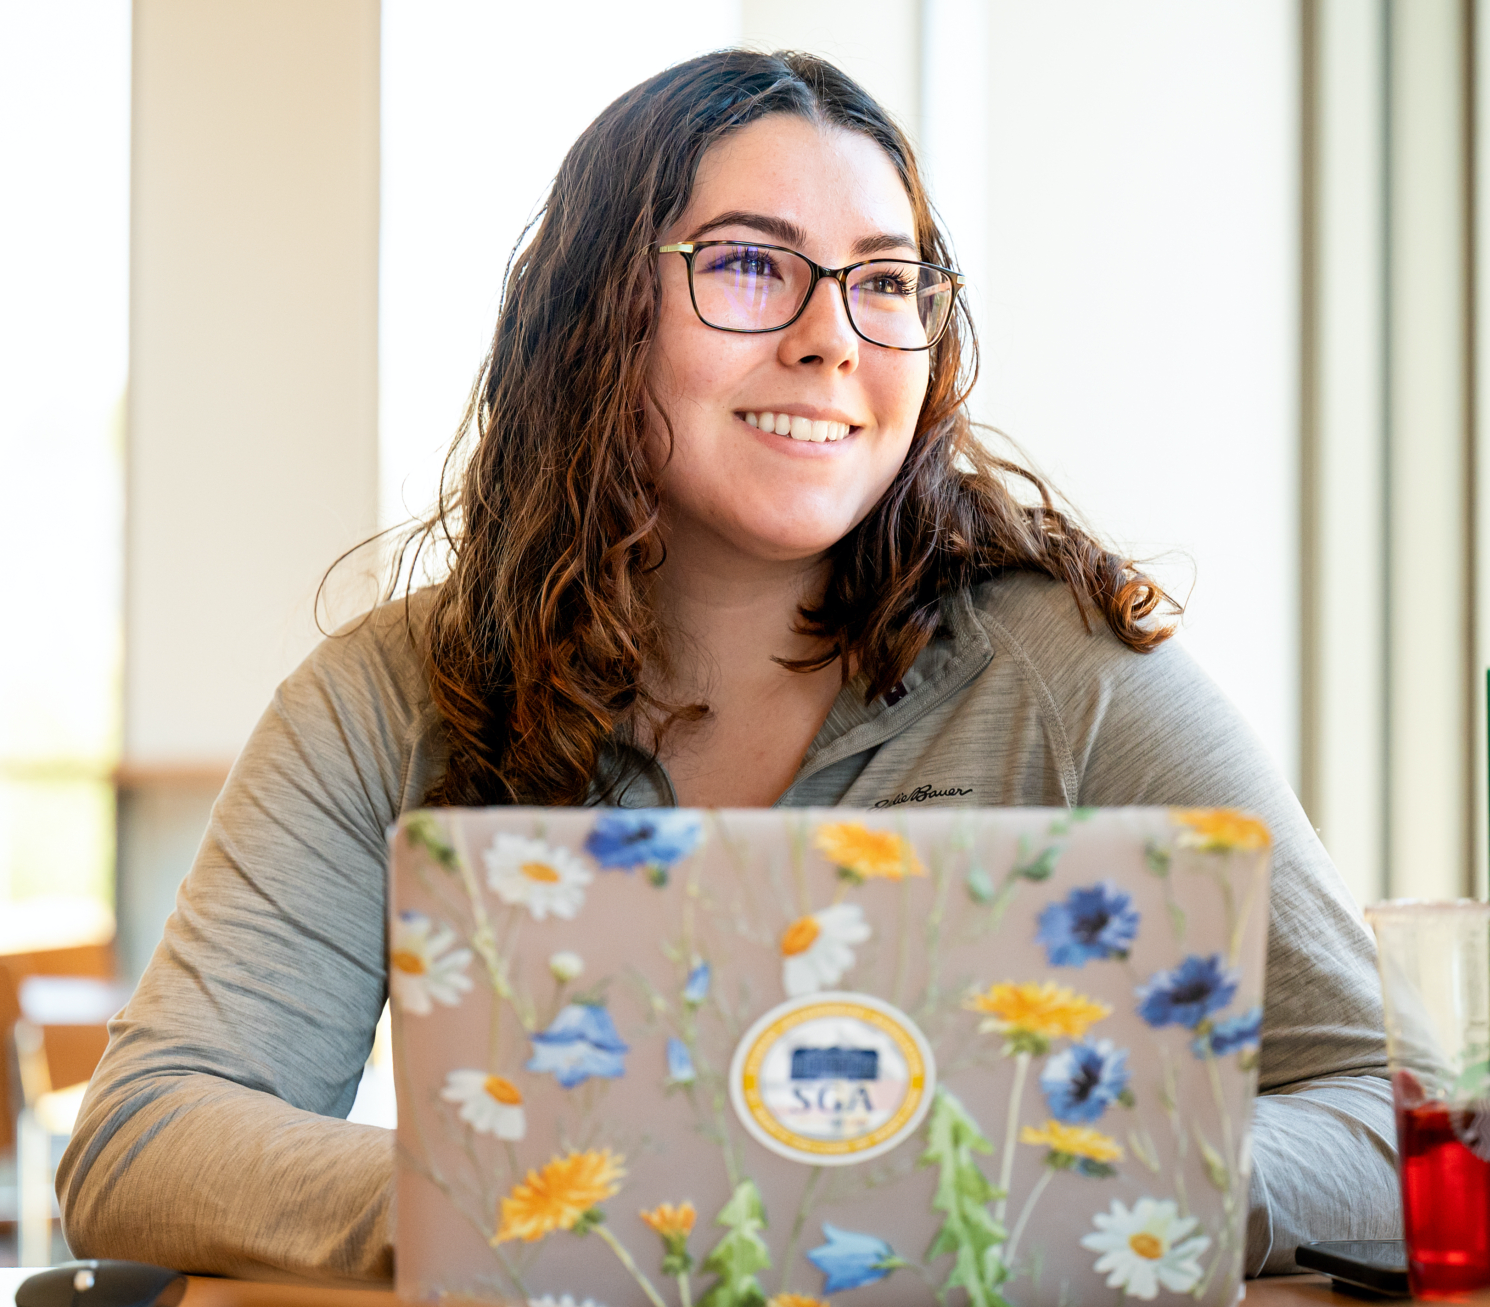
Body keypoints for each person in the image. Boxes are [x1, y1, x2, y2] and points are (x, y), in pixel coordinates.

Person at [59, 49, 1398, 1283]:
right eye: (751, 264)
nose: (833, 338)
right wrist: (531, 1202)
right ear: (594, 317)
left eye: (884, 281)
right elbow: (147, 1133)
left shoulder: (1076, 683)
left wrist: (1061, 1184)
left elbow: (1391, 1118)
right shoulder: (383, 696)